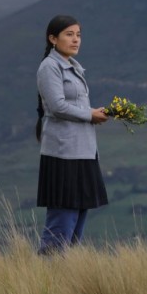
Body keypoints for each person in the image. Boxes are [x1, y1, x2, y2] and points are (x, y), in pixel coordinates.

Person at [35, 15, 109, 254]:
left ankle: (67, 279)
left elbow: (73, 106)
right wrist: (90, 115)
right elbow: (56, 106)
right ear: (53, 38)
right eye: (69, 34)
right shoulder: (50, 67)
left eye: (78, 34)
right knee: (61, 223)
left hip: (83, 151)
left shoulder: (74, 67)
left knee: (77, 219)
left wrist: (95, 113)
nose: (76, 39)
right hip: (63, 154)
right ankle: (46, 276)